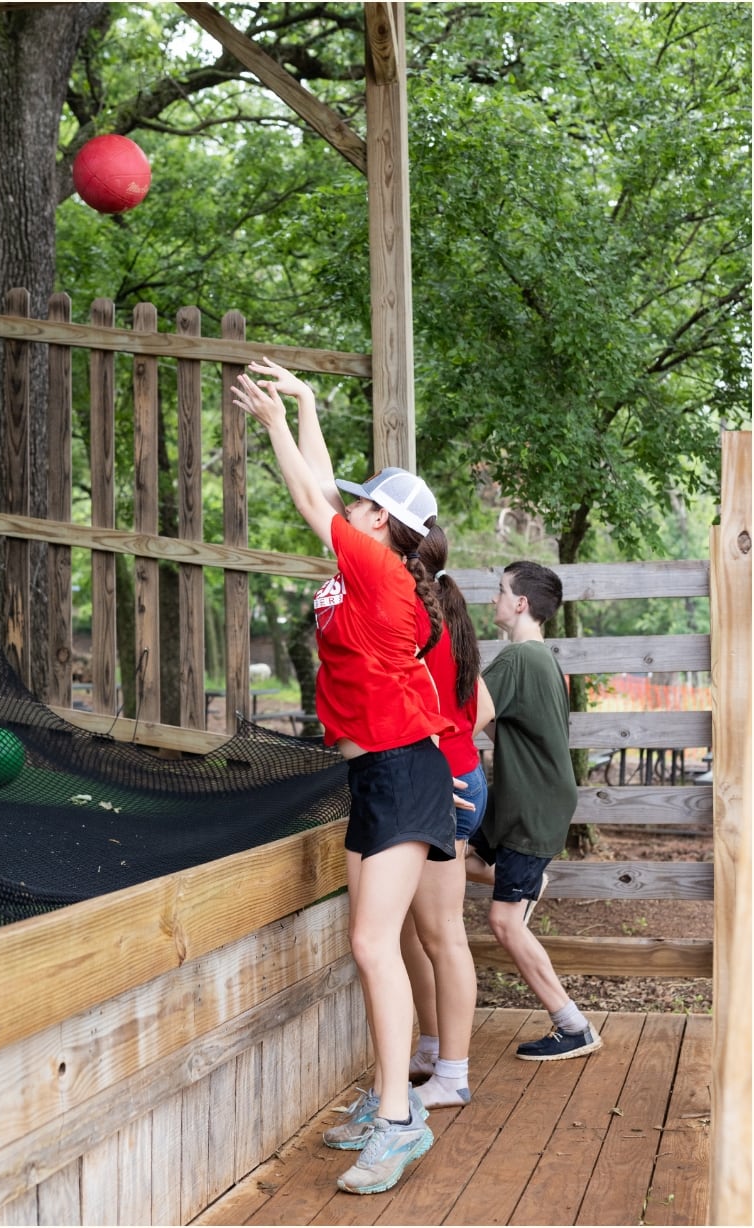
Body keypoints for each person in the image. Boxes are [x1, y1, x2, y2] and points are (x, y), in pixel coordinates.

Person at [233, 358, 456, 1195]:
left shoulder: (381, 571)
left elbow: (308, 496)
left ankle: (400, 1121)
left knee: (370, 943)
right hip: (376, 777)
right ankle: (387, 1096)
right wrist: (306, 401)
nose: (343, 504)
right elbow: (327, 490)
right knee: (374, 947)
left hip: (404, 773)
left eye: (362, 502)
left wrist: (273, 425)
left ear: (383, 523)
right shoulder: (369, 560)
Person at [465, 560, 603, 1060]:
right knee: (446, 852)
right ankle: (525, 881)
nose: (494, 599)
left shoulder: (516, 660)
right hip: (521, 798)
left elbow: (465, 721)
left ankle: (573, 1025)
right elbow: (503, 729)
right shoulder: (541, 659)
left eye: (500, 591)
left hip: (532, 805)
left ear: (520, 604)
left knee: (504, 923)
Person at [399, 524, 493, 1108]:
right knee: (418, 931)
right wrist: (454, 746)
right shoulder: (446, 611)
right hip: (460, 777)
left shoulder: (415, 615)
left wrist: (439, 764)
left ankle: (452, 1075)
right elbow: (481, 706)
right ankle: (434, 1049)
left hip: (444, 787)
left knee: (443, 934)